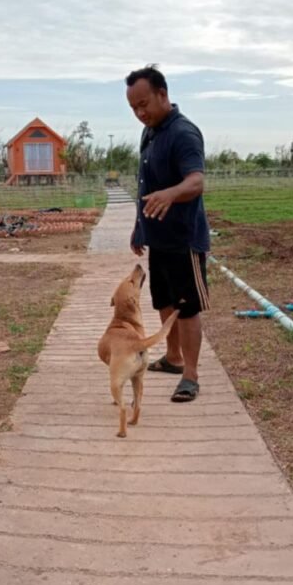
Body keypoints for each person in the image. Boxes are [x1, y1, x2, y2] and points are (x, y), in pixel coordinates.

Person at [125, 65, 210, 402]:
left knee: (187, 309)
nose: (140, 113)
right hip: (158, 239)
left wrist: (172, 194)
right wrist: (138, 226)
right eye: (133, 108)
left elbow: (196, 181)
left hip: (183, 239)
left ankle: (191, 375)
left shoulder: (183, 133)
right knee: (164, 302)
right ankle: (173, 359)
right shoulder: (150, 133)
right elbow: (146, 185)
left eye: (144, 104)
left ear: (163, 94)